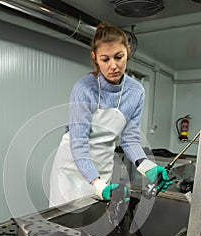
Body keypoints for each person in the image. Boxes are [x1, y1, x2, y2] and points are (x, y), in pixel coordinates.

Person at [49, 23, 172, 207]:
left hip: (102, 165)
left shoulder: (136, 91)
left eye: (119, 57)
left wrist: (148, 167)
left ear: (128, 51)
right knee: (65, 223)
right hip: (71, 168)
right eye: (105, 59)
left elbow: (130, 139)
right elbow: (79, 142)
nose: (113, 66)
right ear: (95, 58)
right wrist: (96, 184)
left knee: (93, 223)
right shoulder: (83, 89)